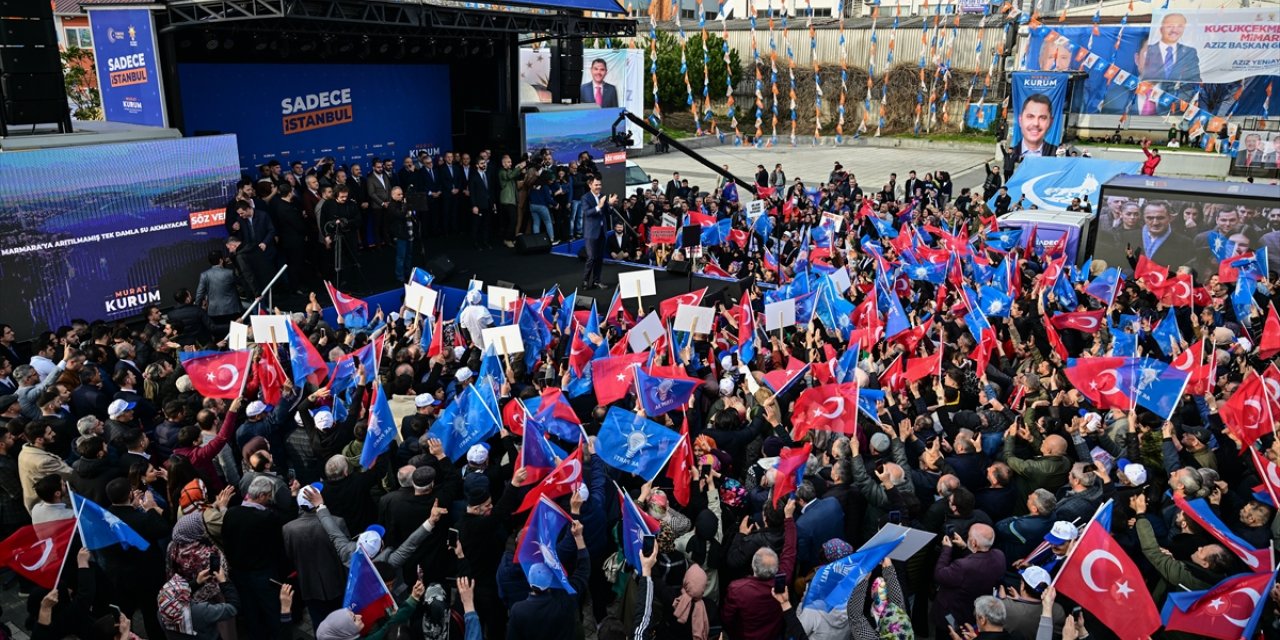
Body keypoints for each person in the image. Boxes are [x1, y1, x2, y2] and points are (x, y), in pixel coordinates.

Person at [1139, 13, 1201, 84]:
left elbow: (1194, 80)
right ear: (1161, 29)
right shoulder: (1148, 50)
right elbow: (1143, 76)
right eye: (1169, 26)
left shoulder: (1190, 52)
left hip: (1179, 94)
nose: (1174, 30)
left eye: (1179, 26)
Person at [581, 175, 619, 290]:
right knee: (591, 257)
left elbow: (608, 212)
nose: (599, 187)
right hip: (591, 233)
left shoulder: (603, 196)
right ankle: (585, 281)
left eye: (600, 184)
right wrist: (599, 206)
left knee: (599, 258)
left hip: (602, 232)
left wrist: (610, 205)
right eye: (596, 185)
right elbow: (587, 213)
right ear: (590, 185)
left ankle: (597, 281)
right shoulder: (585, 197)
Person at [1011, 94, 1059, 162]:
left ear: (1051, 122)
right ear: (1020, 120)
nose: (1036, 123)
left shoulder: (1057, 155)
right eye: (1030, 116)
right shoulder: (1011, 153)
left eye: (1042, 118)